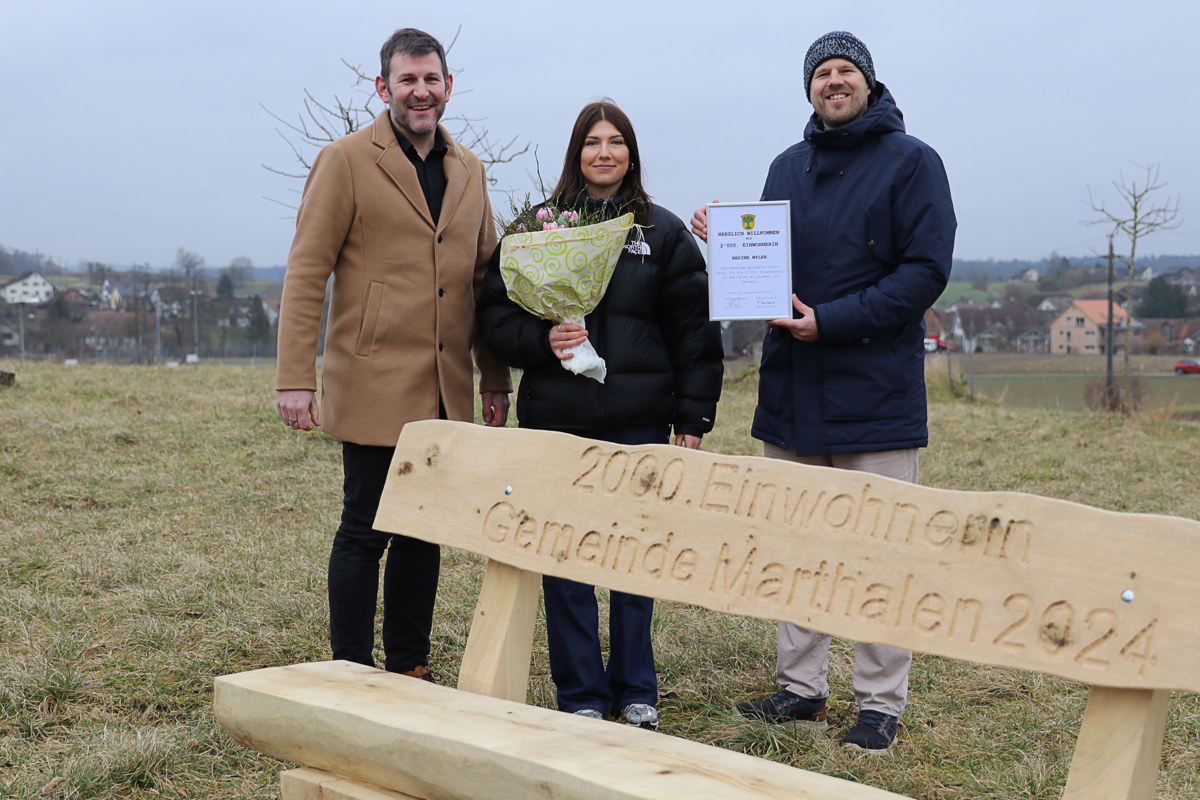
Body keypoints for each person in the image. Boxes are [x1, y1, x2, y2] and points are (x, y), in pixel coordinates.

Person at [691, 31, 956, 751]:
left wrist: (831, 323)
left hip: (874, 394)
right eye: (821, 74)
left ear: (868, 82)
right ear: (809, 88)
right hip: (793, 391)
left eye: (845, 71)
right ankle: (802, 688)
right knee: (792, 545)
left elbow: (925, 271)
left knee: (880, 552)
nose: (833, 82)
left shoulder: (913, 162)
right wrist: (727, 238)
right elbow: (770, 268)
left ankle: (878, 704)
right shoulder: (787, 166)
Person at [477, 100, 724, 730]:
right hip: (557, 418)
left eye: (617, 142)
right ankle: (582, 693)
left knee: (634, 559)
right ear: (576, 153)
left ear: (632, 154)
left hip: (639, 422)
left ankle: (637, 688)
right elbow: (495, 315)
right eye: (593, 142)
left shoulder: (662, 233)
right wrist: (542, 344)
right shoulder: (538, 227)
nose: (605, 152)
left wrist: (693, 418)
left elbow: (694, 334)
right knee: (565, 561)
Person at [275, 27, 511, 681]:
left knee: (422, 530)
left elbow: (484, 278)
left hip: (444, 386)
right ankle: (350, 669)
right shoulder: (345, 160)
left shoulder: (471, 169)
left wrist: (494, 377)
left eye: (431, 79)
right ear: (383, 88)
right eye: (407, 80)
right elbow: (305, 272)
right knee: (365, 529)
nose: (420, 91)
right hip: (373, 379)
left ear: (448, 86)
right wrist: (295, 377)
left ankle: (409, 667)